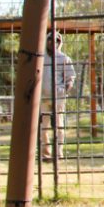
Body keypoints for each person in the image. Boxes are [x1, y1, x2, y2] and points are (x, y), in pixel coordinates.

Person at [41, 31, 76, 162]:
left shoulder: (64, 58)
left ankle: (58, 153)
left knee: (59, 126)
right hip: (43, 97)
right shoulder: (41, 57)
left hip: (59, 97)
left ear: (59, 42)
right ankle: (45, 154)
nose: (52, 42)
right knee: (43, 127)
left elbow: (70, 77)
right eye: (50, 39)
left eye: (55, 40)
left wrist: (65, 89)